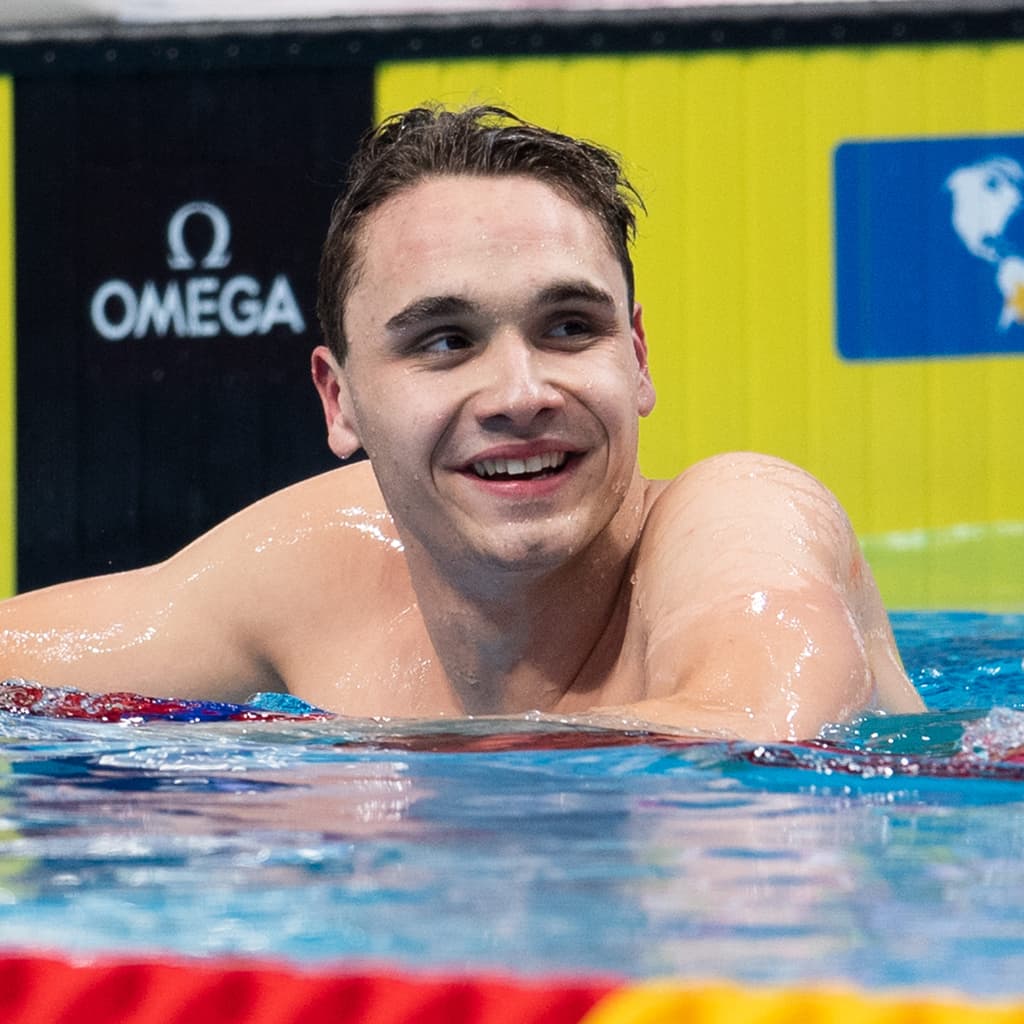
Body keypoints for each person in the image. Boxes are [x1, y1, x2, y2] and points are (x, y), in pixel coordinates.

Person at [0, 104, 924, 739]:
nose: (520, 391)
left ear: (637, 359)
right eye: (444, 342)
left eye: (570, 327)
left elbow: (758, 744)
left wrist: (343, 766)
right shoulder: (323, 568)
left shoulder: (740, 519)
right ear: (340, 400)